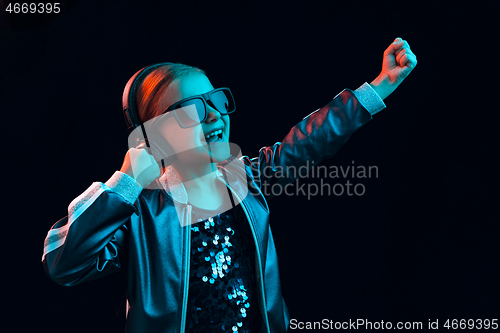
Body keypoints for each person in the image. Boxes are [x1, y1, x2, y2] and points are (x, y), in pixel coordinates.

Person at [42, 37, 417, 333]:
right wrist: (124, 184)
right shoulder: (140, 211)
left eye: (214, 101)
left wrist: (381, 86)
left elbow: (307, 142)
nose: (214, 116)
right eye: (191, 111)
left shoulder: (245, 179)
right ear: (152, 137)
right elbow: (65, 263)